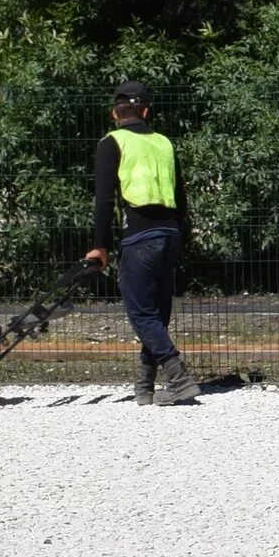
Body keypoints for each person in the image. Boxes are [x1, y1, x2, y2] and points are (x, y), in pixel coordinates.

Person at [84, 81, 197, 406]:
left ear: (114, 113)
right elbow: (182, 196)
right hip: (170, 233)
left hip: (139, 234)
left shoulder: (112, 143)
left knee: (141, 312)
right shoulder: (164, 143)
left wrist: (100, 246)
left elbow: (104, 200)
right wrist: (179, 235)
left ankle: (178, 377)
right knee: (158, 311)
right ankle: (144, 386)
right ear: (146, 112)